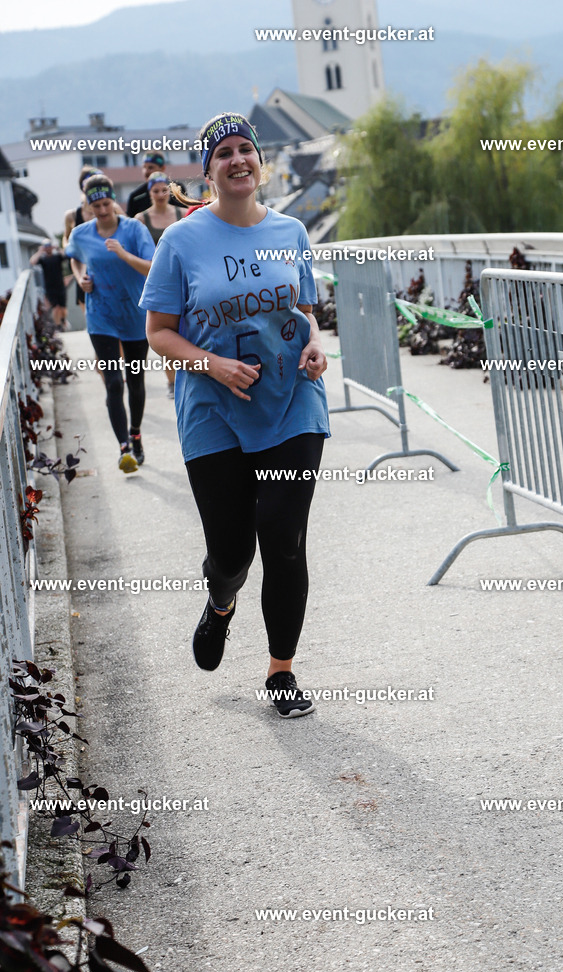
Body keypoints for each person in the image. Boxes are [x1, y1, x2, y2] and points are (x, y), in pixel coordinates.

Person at [141, 111, 330, 718]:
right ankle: (221, 603)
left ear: (260, 162)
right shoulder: (181, 242)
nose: (237, 159)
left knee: (284, 537)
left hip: (292, 402)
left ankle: (281, 671)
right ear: (209, 172)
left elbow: (305, 313)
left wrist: (315, 345)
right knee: (231, 553)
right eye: (222, 153)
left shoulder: (291, 232)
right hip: (212, 412)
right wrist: (213, 365)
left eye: (245, 149)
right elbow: (159, 333)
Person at [66, 174, 155, 473]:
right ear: (88, 207)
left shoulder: (134, 229)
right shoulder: (81, 234)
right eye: (96, 206)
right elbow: (75, 258)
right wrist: (80, 277)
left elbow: (152, 267)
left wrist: (123, 254)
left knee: (135, 380)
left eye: (106, 204)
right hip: (101, 315)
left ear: (113, 200)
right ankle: (124, 449)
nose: (103, 211)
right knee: (114, 382)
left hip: (134, 314)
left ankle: (136, 434)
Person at [135, 171, 184, 398]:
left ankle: (186, 376)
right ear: (149, 193)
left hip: (182, 279)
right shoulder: (141, 219)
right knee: (164, 332)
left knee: (184, 331)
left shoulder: (182, 214)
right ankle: (172, 381)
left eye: (165, 190)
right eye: (156, 191)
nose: (161, 194)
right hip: (157, 283)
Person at [64, 166, 123, 312]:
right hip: (87, 269)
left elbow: (128, 231)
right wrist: (70, 249)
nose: (102, 210)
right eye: (90, 182)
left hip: (112, 266)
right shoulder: (72, 215)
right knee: (91, 313)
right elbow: (67, 239)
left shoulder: (114, 208)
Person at [126, 152, 183, 217]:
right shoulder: (135, 196)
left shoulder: (177, 189)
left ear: (162, 168)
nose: (146, 171)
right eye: (144, 167)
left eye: (150, 167)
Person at [30, 239, 68, 329]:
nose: (48, 248)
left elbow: (66, 256)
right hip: (50, 287)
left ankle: (63, 320)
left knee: (63, 308)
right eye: (46, 246)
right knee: (56, 307)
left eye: (49, 246)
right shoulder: (43, 259)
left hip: (60, 286)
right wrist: (40, 251)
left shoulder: (57, 257)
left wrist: (57, 248)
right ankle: (58, 326)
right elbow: (32, 262)